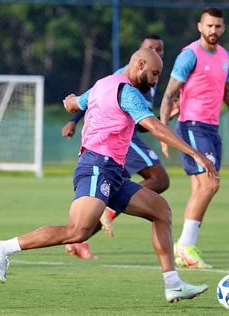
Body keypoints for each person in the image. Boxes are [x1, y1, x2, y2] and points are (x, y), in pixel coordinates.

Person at [0, 48, 217, 303]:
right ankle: (3, 248)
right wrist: (196, 154)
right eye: (154, 73)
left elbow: (75, 103)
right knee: (78, 231)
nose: (155, 81)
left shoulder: (102, 84)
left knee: (161, 211)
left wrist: (70, 102)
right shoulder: (128, 93)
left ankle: (173, 284)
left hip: (113, 172)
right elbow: (155, 128)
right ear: (139, 64)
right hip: (96, 166)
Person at [159, 7, 229, 269]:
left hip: (212, 129)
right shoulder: (189, 55)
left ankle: (183, 251)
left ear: (223, 28)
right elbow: (168, 95)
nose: (213, 30)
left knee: (201, 188)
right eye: (209, 26)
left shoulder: (224, 57)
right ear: (200, 26)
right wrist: (163, 132)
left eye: (218, 26)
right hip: (192, 126)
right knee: (211, 184)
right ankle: (185, 246)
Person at [61, 35, 175, 259]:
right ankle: (108, 211)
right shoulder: (123, 77)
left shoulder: (151, 79)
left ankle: (86, 232)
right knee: (159, 179)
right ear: (140, 55)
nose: (156, 52)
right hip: (118, 138)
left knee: (158, 185)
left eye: (159, 49)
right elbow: (94, 97)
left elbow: (142, 120)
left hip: (127, 135)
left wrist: (163, 117)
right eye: (151, 48)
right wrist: (73, 121)